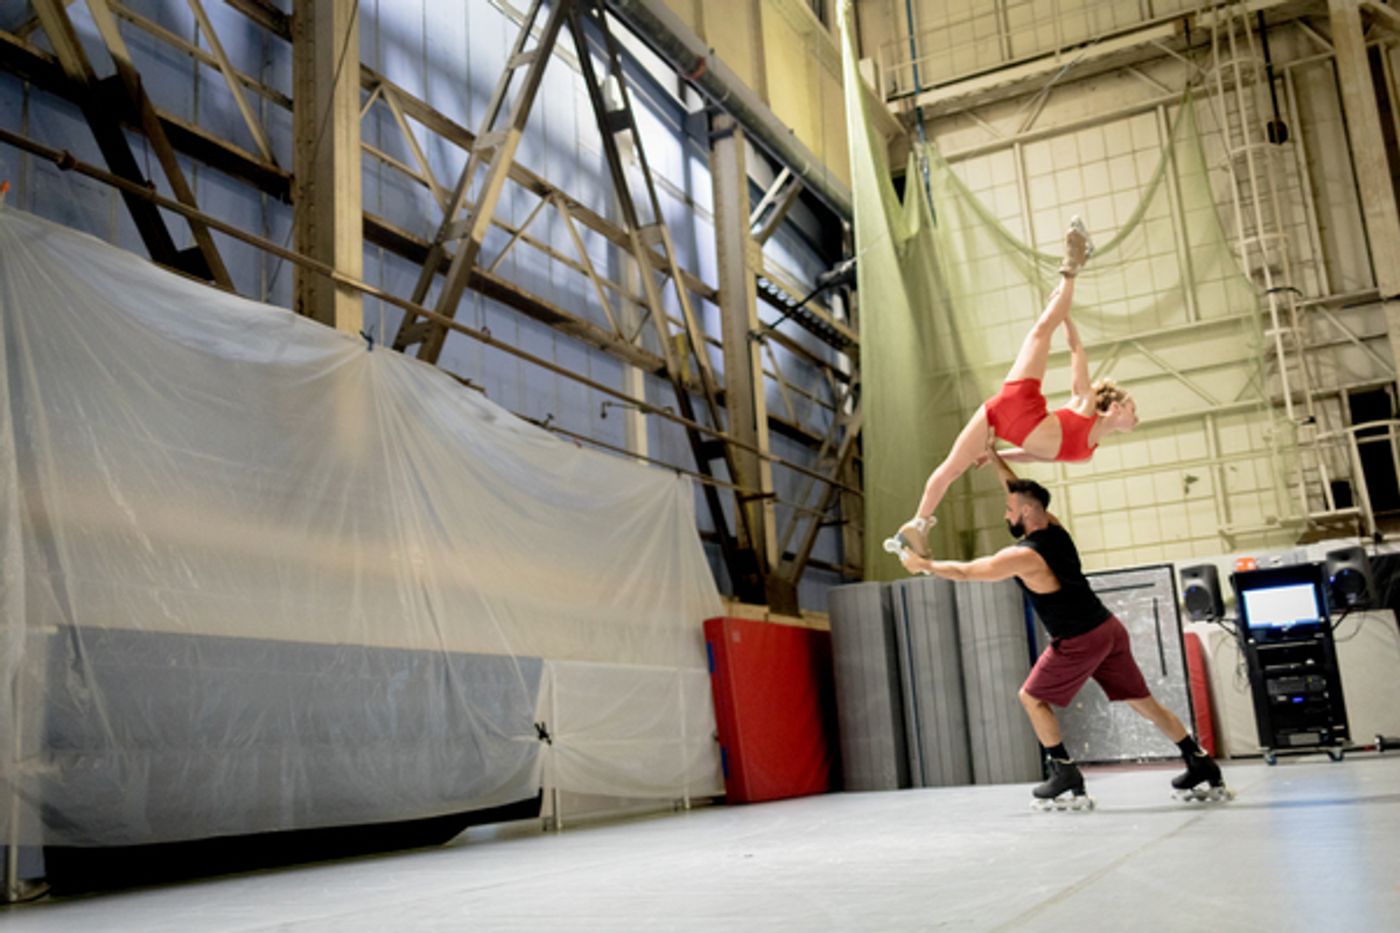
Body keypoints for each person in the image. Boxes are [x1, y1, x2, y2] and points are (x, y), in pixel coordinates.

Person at [897, 450, 1229, 809]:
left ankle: (1064, 772)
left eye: (1008, 510)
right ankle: (1199, 760)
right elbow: (1018, 490)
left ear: (1026, 512)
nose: (1005, 514)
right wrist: (993, 458)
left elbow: (966, 572)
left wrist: (923, 565)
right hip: (1108, 628)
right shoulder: (1054, 527)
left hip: (1080, 639)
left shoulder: (1024, 556)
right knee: (1142, 701)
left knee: (1032, 698)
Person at [888, 217, 1139, 561]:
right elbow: (1075, 348)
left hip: (1000, 421)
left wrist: (995, 455)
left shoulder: (1086, 453)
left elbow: (1034, 455)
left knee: (953, 468)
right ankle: (1071, 267)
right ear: (1115, 407)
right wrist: (1063, 313)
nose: (1136, 417)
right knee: (1041, 331)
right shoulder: (1085, 402)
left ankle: (917, 525)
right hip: (1023, 404)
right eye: (1133, 410)